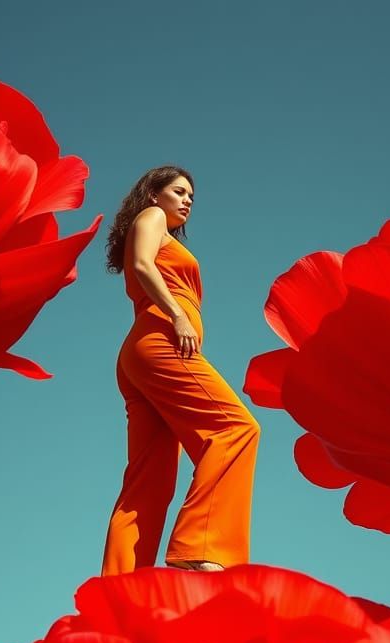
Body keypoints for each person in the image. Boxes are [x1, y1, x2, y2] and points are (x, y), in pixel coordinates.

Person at [101, 166, 260, 575]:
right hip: (160, 341)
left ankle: (120, 587)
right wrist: (178, 315)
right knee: (236, 428)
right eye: (179, 191)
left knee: (147, 481)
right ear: (154, 195)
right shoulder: (151, 218)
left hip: (143, 354)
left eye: (192, 195)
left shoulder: (162, 229)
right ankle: (201, 545)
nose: (188, 200)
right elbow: (140, 263)